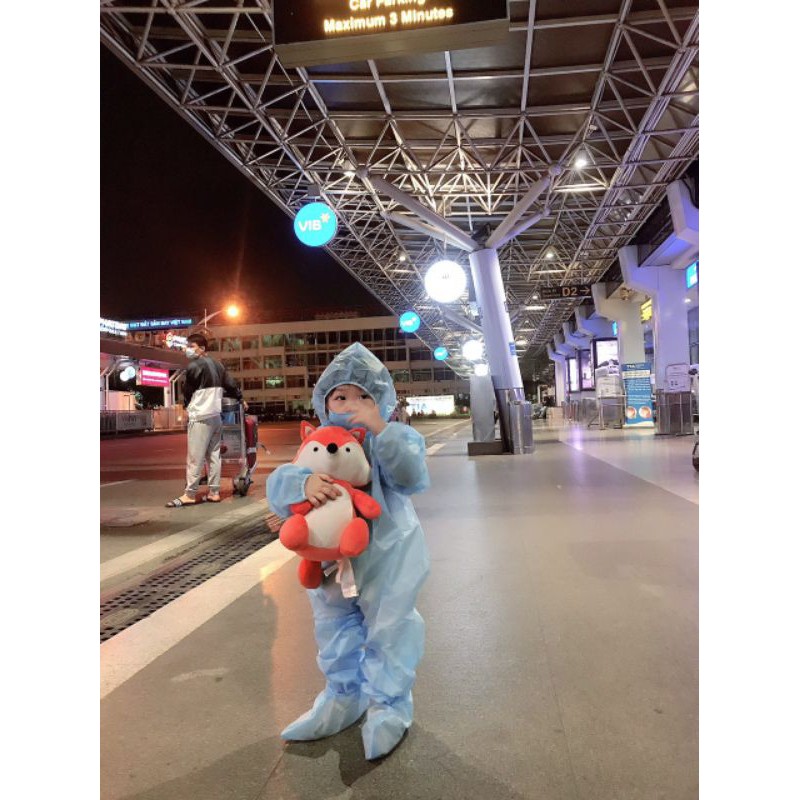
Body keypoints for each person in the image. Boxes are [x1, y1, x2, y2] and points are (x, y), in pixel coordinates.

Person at [267, 342, 430, 760]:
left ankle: (389, 707)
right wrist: (301, 485)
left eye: (363, 397)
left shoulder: (391, 439)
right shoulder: (319, 444)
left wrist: (383, 431)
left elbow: (410, 475)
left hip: (387, 556)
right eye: (340, 397)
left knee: (389, 629)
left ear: (382, 402)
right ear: (324, 402)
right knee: (333, 627)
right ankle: (342, 697)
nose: (350, 405)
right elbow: (280, 485)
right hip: (330, 561)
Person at [166, 333, 246, 508]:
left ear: (202, 349)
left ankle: (190, 494)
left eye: (191, 346)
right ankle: (214, 492)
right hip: (215, 416)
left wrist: (187, 408)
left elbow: (188, 392)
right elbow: (231, 385)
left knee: (195, 457)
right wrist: (240, 399)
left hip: (200, 417)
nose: (188, 350)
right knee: (214, 455)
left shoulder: (194, 366)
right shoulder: (218, 365)